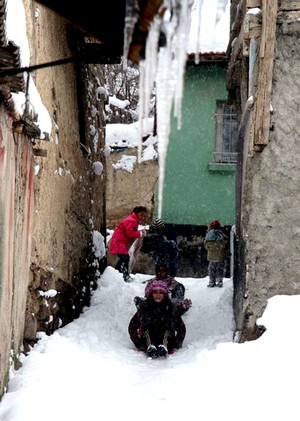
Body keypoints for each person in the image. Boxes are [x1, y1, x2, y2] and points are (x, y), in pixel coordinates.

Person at [128, 280, 186, 358]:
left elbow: (181, 327)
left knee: (167, 332)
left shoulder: (170, 307)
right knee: (146, 332)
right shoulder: (145, 307)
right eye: (155, 292)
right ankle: (150, 348)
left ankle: (164, 347)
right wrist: (138, 344)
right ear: (151, 294)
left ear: (165, 294)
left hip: (166, 336)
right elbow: (132, 326)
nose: (158, 295)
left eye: (160, 293)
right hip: (149, 336)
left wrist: (177, 344)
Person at [109, 206, 147, 282]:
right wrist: (140, 234)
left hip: (120, 241)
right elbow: (130, 233)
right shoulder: (131, 220)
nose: (143, 216)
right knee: (125, 258)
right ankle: (123, 275)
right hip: (119, 241)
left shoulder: (133, 219)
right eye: (141, 214)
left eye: (144, 214)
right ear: (137, 213)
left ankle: (116, 274)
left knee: (124, 258)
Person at [204, 219, 228, 288]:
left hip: (211, 256)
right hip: (220, 256)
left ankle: (212, 281)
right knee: (220, 269)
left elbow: (206, 244)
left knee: (211, 269)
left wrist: (212, 247)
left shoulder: (209, 235)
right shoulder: (221, 235)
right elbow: (225, 244)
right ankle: (219, 281)